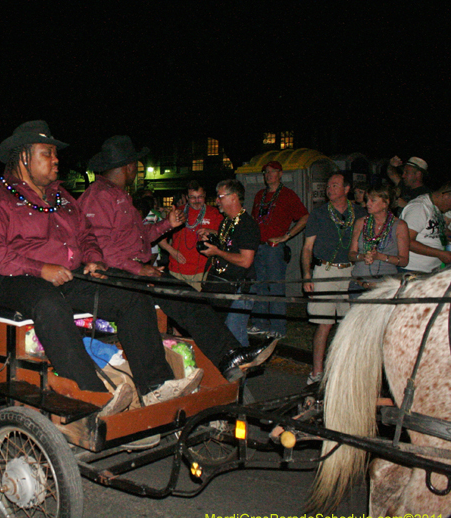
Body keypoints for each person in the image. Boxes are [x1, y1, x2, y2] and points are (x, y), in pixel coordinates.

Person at [0, 121, 197, 411]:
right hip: (14, 280)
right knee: (49, 303)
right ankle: (91, 396)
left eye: (55, 154)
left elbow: (86, 233)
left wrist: (94, 257)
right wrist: (40, 268)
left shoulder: (62, 197)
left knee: (130, 291)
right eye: (47, 153)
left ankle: (156, 386)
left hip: (69, 276)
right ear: (24, 157)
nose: (56, 160)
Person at [78, 136, 277, 380]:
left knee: (190, 300)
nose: (137, 170)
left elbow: (138, 239)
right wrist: (138, 269)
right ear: (128, 167)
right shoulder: (98, 197)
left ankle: (229, 355)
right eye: (136, 166)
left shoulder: (117, 195)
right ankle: (227, 356)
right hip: (115, 275)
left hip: (131, 269)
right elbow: (100, 247)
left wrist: (166, 225)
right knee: (185, 298)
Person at [301, 173, 366, 385]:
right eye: (328, 185)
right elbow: (307, 247)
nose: (330, 189)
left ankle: (346, 371)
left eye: (335, 185)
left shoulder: (360, 213)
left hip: (351, 272)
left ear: (347, 189)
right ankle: (317, 372)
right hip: (326, 272)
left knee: (350, 324)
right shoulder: (319, 214)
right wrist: (307, 275)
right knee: (324, 324)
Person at [198, 181, 264, 380]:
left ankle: (241, 384)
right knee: (219, 332)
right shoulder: (227, 221)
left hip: (238, 289)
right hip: (221, 284)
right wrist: (213, 236)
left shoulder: (246, 224)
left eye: (221, 196)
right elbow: (231, 242)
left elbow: (245, 260)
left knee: (235, 335)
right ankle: (230, 379)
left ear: (234, 197)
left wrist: (216, 251)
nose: (217, 201)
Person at [248, 161, 309, 339]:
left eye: (272, 172)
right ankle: (260, 324)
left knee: (275, 287)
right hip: (258, 246)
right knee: (259, 286)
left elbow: (304, 217)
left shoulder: (287, 195)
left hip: (274, 249)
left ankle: (278, 327)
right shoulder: (260, 195)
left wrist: (286, 236)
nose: (269, 175)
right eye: (266, 172)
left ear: (280, 174)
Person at [160, 180, 222, 290]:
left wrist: (210, 232)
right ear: (187, 197)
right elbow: (159, 238)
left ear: (205, 196)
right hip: (177, 271)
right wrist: (172, 251)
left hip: (202, 272)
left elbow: (225, 237)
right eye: (193, 197)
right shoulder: (177, 212)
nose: (197, 201)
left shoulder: (214, 213)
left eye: (200, 197)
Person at [348, 183, 409, 290]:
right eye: (367, 200)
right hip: (359, 284)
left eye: (373, 200)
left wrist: (380, 257)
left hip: (385, 287)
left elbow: (404, 261)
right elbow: (351, 254)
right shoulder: (361, 222)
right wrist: (362, 257)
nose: (368, 204)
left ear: (386, 203)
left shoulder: (399, 225)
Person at [400, 182, 451, 273]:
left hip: (431, 269)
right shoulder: (419, 207)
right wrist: (440, 253)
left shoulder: (435, 207)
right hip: (413, 269)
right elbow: (406, 241)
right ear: (446, 196)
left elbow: (433, 233)